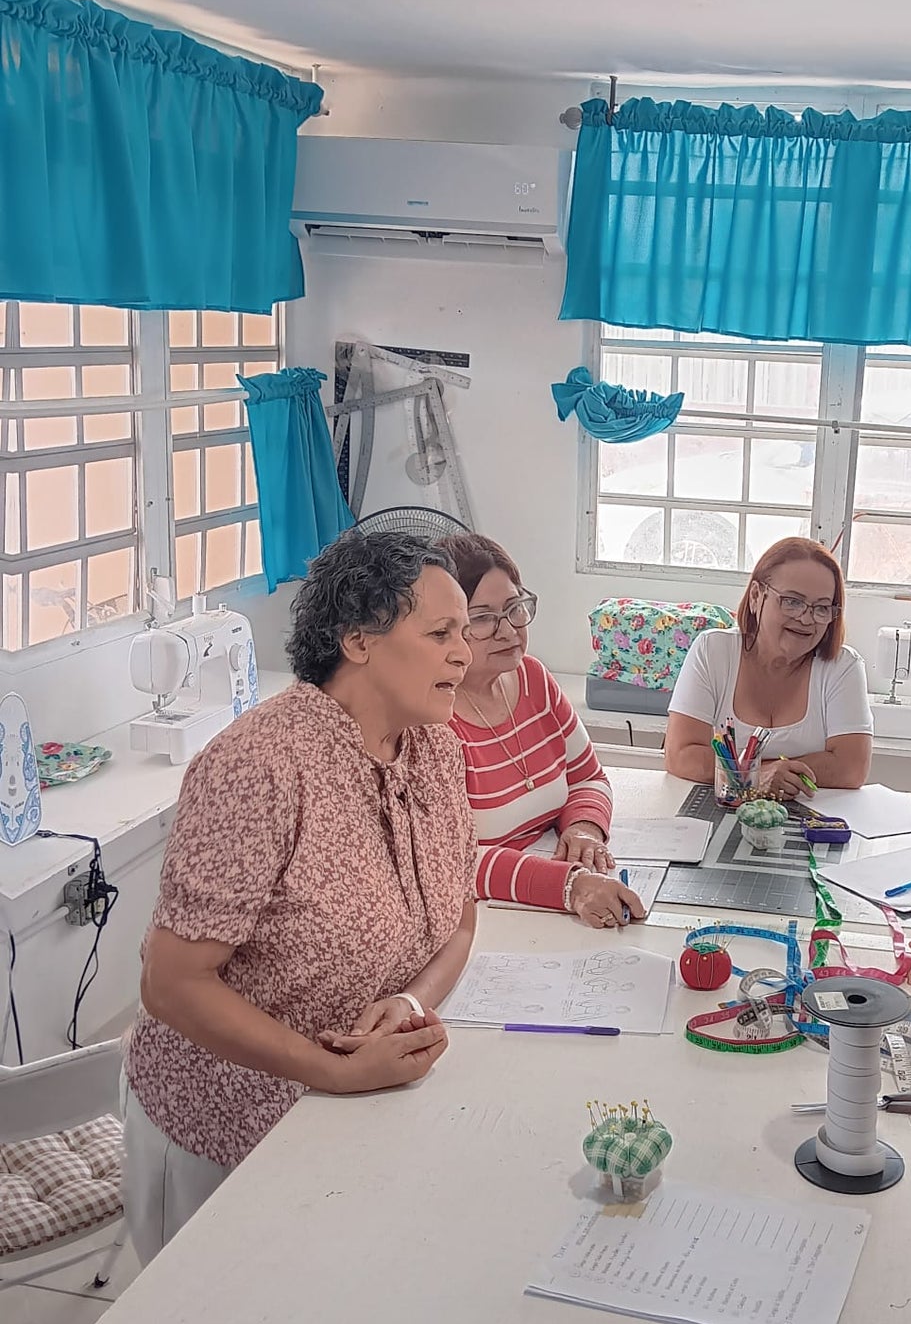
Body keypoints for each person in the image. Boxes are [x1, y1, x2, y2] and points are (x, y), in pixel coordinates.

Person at [123, 531, 477, 1263]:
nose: (464, 654)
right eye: (440, 632)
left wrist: (411, 1004)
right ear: (358, 640)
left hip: (348, 1113)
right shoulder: (262, 765)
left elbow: (458, 912)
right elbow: (171, 983)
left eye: (464, 633)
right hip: (223, 1129)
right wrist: (330, 1068)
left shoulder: (434, 747)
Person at [440, 533, 643, 931]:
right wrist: (572, 885)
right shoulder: (432, 719)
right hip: (481, 923)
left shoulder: (533, 678)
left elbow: (588, 777)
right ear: (446, 627)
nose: (508, 630)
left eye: (515, 608)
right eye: (482, 618)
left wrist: (583, 828)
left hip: (551, 913)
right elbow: (452, 862)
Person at [664, 537, 872, 798]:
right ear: (755, 596)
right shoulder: (712, 650)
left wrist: (765, 773)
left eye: (821, 608)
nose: (806, 619)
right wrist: (758, 776)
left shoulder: (843, 666)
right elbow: (680, 755)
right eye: (792, 601)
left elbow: (852, 768)